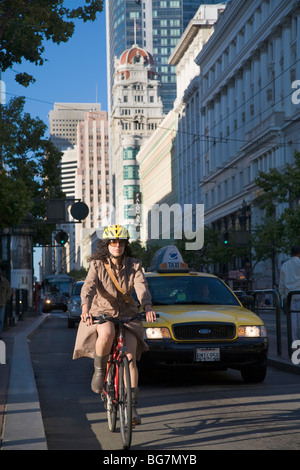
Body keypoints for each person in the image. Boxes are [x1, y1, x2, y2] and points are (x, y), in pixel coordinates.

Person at [73, 224, 156, 425]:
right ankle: (100, 372)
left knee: (130, 357)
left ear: (125, 244)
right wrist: (85, 308)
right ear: (107, 245)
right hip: (102, 311)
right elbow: (89, 287)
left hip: (128, 314)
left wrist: (147, 306)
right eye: (113, 242)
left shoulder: (134, 265)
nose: (117, 245)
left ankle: (133, 407)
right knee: (107, 331)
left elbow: (141, 287)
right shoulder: (97, 264)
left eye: (120, 242)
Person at [279, 245, 300, 342]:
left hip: (290, 296)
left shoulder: (285, 265)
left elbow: (281, 283)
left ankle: (295, 342)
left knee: (293, 321)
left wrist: (283, 296)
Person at [0, 271, 12, 339]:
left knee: (1, 320)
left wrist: (7, 298)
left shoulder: (5, 281)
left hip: (2, 303)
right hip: (3, 302)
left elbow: (9, 290)